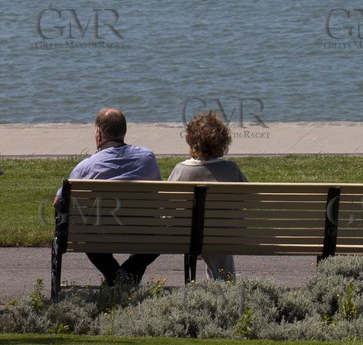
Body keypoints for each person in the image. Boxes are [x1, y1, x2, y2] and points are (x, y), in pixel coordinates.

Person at [55, 107, 161, 286]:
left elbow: (59, 202)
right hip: (141, 233)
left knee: (86, 229)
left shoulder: (86, 166)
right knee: (158, 233)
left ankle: (114, 276)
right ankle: (127, 274)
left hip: (100, 236)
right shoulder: (147, 158)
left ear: (98, 133)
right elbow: (157, 194)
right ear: (124, 131)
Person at [167, 111, 247, 280]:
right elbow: (248, 200)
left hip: (188, 237)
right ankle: (226, 288)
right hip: (223, 236)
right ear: (223, 142)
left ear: (191, 141)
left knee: (203, 235)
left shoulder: (181, 170)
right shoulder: (231, 169)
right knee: (218, 236)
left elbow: (168, 208)